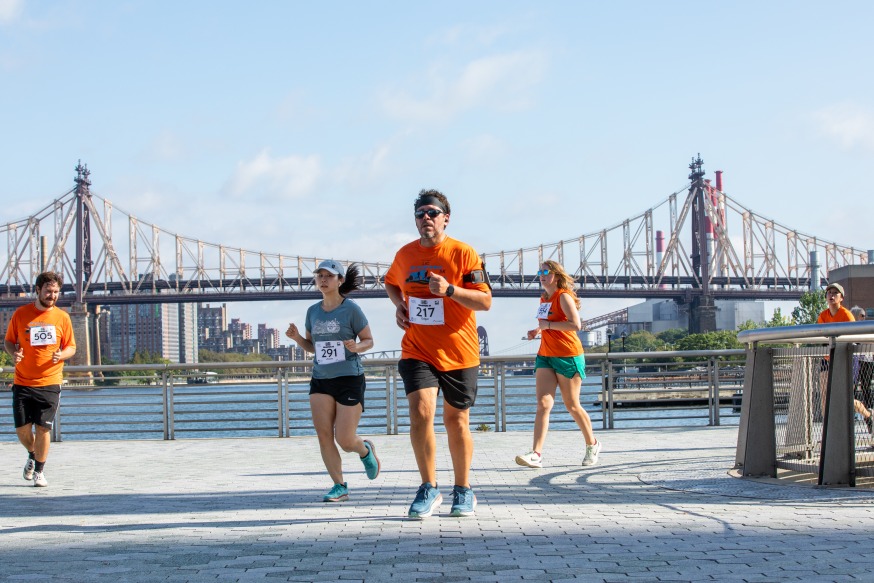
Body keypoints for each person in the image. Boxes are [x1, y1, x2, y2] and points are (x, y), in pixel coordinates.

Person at [385, 189, 492, 519]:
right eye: (420, 214)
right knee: (420, 412)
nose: (426, 218)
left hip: (459, 352)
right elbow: (390, 282)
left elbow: (485, 301)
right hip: (417, 348)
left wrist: (449, 290)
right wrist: (399, 305)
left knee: (456, 420)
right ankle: (429, 487)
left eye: (432, 212)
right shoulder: (404, 255)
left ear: (446, 218)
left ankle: (464, 489)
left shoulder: (464, 254)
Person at [285, 260, 379, 502]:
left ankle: (365, 450)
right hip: (321, 379)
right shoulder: (312, 311)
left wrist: (356, 347)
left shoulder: (351, 310)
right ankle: (339, 486)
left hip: (349, 377)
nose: (323, 280)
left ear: (340, 281)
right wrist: (297, 338)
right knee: (324, 434)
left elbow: (369, 339)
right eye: (320, 276)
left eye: (329, 275)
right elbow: (312, 347)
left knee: (345, 440)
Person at [515, 261, 601, 469]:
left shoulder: (563, 296)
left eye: (545, 272)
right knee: (543, 404)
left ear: (556, 275)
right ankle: (536, 454)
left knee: (572, 405)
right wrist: (537, 331)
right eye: (539, 272)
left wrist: (549, 325)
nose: (541, 275)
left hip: (568, 355)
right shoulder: (544, 297)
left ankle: (593, 444)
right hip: (545, 355)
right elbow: (546, 322)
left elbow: (576, 324)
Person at [4, 271, 77, 487]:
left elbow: (71, 347)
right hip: (23, 382)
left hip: (50, 381)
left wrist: (61, 355)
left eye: (56, 292)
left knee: (43, 429)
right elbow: (9, 341)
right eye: (48, 291)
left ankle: (40, 471)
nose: (52, 295)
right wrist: (13, 353)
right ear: (38, 290)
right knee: (22, 429)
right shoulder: (20, 314)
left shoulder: (63, 317)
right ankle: (32, 453)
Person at [815, 283, 872, 431]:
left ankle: (868, 416)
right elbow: (820, 337)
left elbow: (853, 338)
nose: (831, 295)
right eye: (829, 293)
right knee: (824, 396)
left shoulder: (846, 315)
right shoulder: (823, 315)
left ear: (841, 297)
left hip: (844, 358)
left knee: (845, 396)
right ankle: (827, 431)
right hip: (827, 358)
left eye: (835, 293)